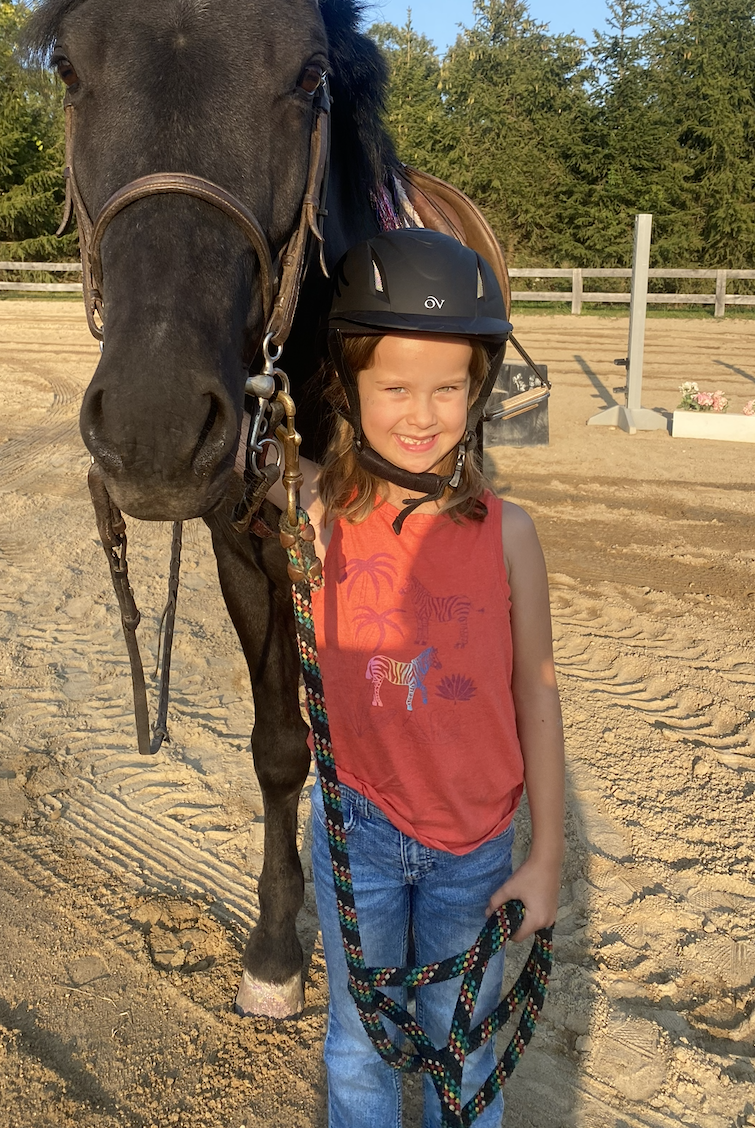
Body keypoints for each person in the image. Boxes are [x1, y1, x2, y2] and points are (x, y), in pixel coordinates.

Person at [253, 228, 564, 1128]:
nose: (422, 413)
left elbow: (537, 692)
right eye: (394, 387)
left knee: (461, 1047)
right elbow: (222, 439)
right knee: (357, 1042)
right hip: (361, 833)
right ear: (349, 389)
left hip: (475, 849)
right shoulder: (318, 511)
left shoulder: (510, 537)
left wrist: (543, 859)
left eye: (448, 387)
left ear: (479, 389)